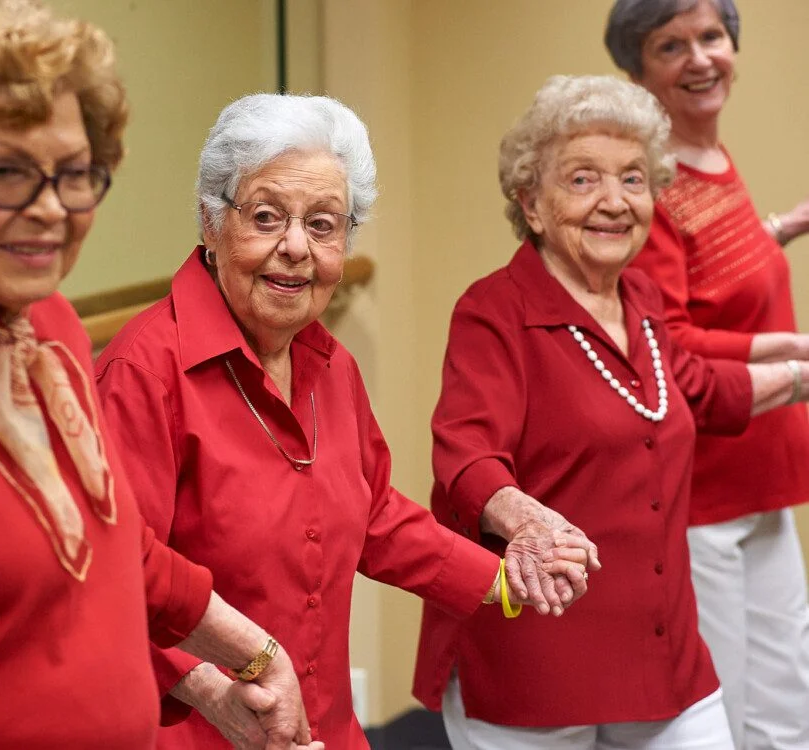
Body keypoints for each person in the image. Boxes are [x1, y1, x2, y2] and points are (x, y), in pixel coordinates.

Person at [0, 1, 321, 747]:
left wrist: (251, 656)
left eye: (75, 174)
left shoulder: (46, 324)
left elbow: (116, 551)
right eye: (5, 172)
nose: (50, 210)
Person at [94, 92, 597, 749]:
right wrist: (208, 687)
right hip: (199, 726)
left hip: (323, 726)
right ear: (211, 222)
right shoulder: (144, 370)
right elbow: (119, 576)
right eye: (267, 216)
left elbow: (376, 516)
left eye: (324, 224)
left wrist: (504, 581)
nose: (295, 248)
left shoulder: (330, 366)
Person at [412, 74, 809, 750]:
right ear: (530, 203)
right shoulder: (493, 313)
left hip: (663, 658)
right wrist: (527, 521)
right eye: (582, 180)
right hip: (535, 661)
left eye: (632, 179)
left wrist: (799, 374)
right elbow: (466, 455)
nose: (612, 202)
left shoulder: (642, 299)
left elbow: (697, 388)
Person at [605, 2, 809, 746]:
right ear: (636, 72)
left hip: (762, 473)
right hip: (703, 493)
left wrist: (782, 227)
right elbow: (670, 343)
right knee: (718, 720)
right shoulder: (648, 187)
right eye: (670, 46)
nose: (698, 59)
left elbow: (712, 276)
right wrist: (796, 356)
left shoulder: (712, 158)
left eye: (711, 38)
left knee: (788, 710)